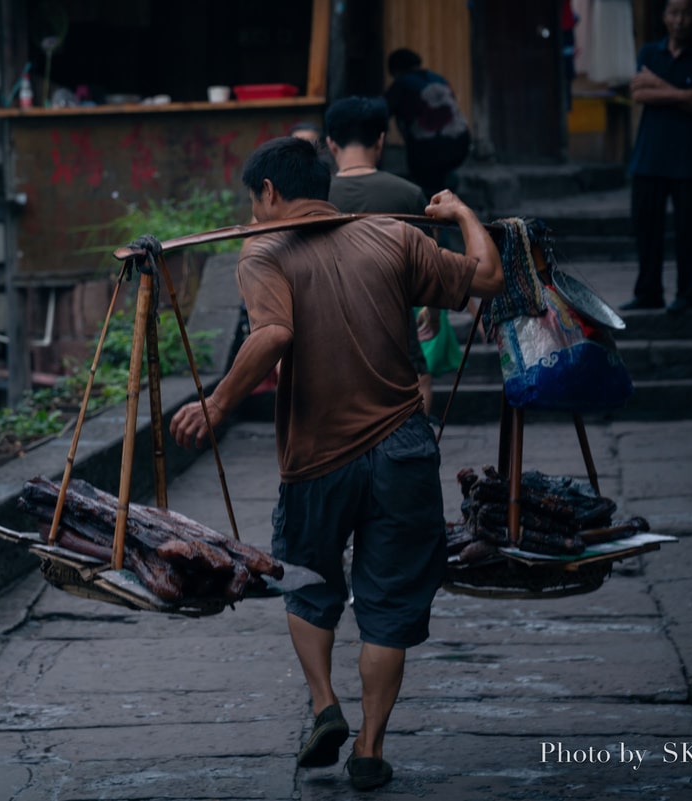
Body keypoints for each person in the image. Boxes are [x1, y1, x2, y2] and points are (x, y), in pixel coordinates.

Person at [168, 136, 502, 791]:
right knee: (390, 600)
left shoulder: (264, 248)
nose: (254, 213)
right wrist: (462, 212)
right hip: (403, 447)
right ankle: (371, 746)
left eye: (253, 201)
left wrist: (217, 403)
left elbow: (273, 332)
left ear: (267, 193)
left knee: (307, 580)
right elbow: (486, 278)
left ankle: (325, 704)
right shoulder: (392, 237)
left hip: (319, 455)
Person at [323, 94, 438, 412]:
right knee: (418, 381)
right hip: (394, 316)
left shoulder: (316, 196)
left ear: (331, 143)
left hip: (329, 319)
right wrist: (433, 312)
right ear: (381, 140)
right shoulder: (408, 194)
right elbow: (428, 267)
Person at [620, 0, 692, 315]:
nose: (680, 20)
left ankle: (689, 293)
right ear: (664, 17)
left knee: (689, 232)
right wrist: (685, 94)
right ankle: (649, 292)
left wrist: (659, 87)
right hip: (648, 157)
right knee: (647, 231)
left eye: (687, 13)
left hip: (688, 159)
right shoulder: (649, 52)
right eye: (674, 13)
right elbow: (638, 93)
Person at [383, 47, 471, 196]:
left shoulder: (402, 83)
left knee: (426, 182)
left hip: (428, 147)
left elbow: (383, 111)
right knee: (440, 175)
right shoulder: (439, 79)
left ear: (395, 70)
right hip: (461, 141)